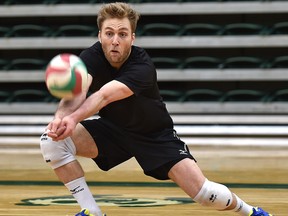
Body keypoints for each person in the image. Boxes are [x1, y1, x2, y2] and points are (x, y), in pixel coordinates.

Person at [40, 2, 273, 216]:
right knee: (51, 140)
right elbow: (79, 91)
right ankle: (92, 212)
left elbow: (102, 97)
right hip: (112, 131)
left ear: (132, 37)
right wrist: (61, 119)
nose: (115, 40)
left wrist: (73, 118)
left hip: (154, 135)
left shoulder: (142, 65)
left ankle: (251, 212)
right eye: (109, 33)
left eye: (122, 34)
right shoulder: (90, 56)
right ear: (100, 35)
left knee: (205, 194)